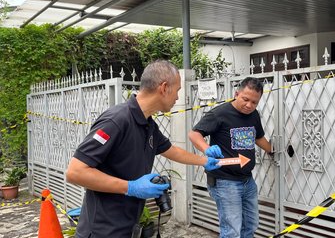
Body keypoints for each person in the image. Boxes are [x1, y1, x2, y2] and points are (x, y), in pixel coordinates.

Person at [65, 60, 221, 238]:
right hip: (102, 230)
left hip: (127, 227)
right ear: (163, 88)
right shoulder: (116, 121)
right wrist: (131, 187)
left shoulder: (148, 123)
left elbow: (171, 150)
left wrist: (205, 160)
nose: (178, 97)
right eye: (177, 90)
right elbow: (75, 172)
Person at [188, 77, 273, 238]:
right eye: (245, 99)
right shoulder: (219, 113)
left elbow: (258, 137)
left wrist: (272, 150)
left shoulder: (254, 115)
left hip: (247, 180)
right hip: (224, 181)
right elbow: (194, 134)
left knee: (251, 224)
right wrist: (207, 148)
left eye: (254, 102)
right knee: (231, 230)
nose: (249, 105)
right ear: (236, 94)